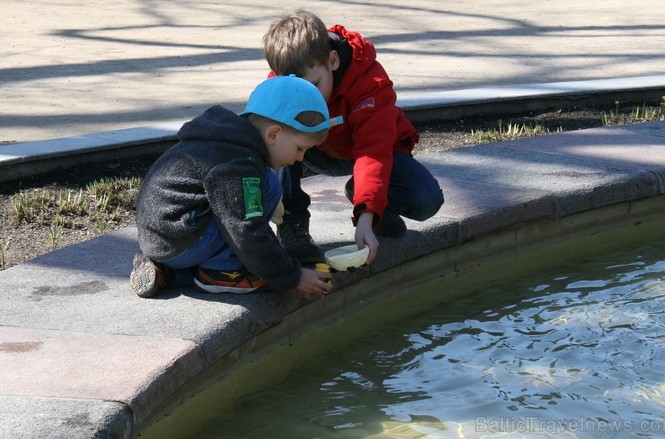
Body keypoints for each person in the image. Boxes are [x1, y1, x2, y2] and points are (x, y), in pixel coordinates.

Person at [129, 75, 342, 299]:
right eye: (300, 148)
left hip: (163, 239)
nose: (300, 158)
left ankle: (166, 272)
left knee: (254, 192)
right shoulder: (239, 164)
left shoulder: (225, 139)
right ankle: (223, 271)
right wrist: (293, 276)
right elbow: (246, 230)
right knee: (268, 186)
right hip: (181, 238)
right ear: (273, 134)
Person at [263, 10, 444, 267]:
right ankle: (293, 226)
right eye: (296, 91)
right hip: (315, 149)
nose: (307, 98)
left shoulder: (369, 81)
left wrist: (366, 217)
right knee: (277, 136)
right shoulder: (281, 79)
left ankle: (373, 202)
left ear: (333, 61)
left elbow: (373, 153)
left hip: (368, 151)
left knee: (425, 200)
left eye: (314, 85)